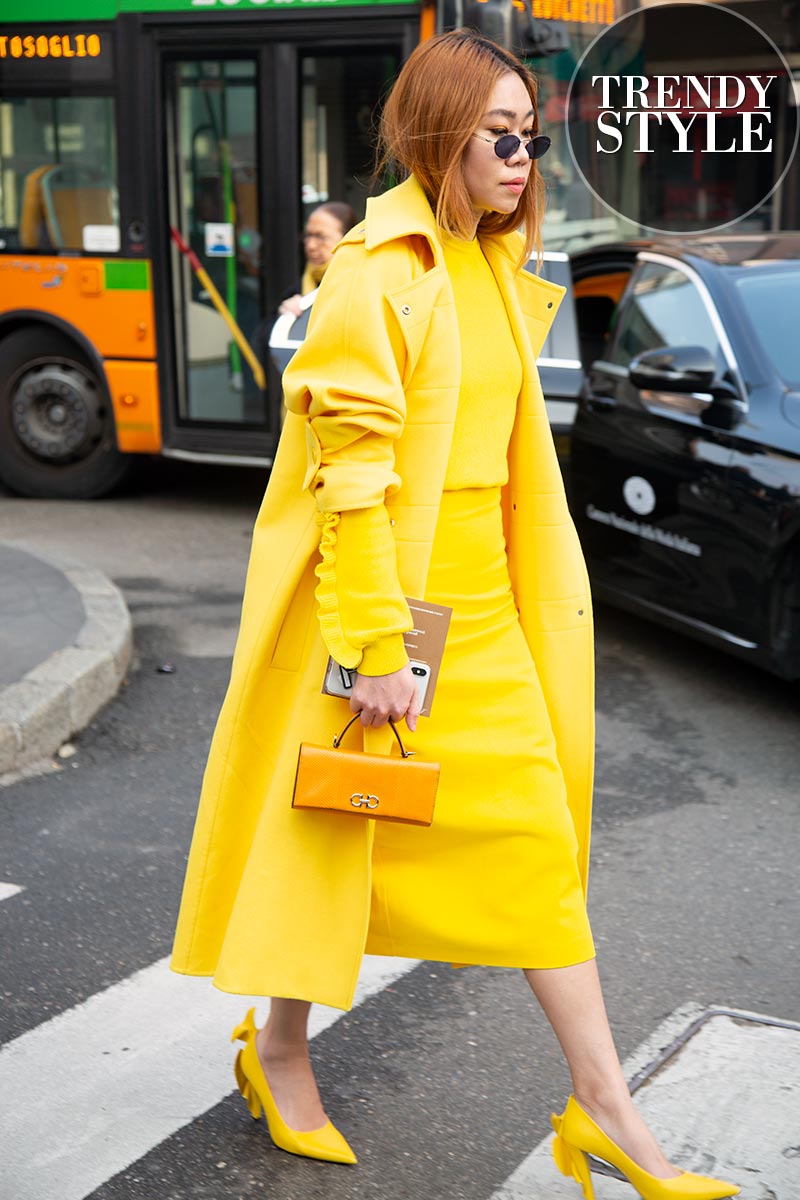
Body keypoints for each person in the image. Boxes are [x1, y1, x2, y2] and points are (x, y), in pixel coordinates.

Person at [171, 31, 740, 1200]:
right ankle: (278, 1048)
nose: (523, 154)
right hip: (399, 609)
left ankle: (601, 1111)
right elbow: (350, 482)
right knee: (340, 832)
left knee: (534, 848)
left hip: (484, 615)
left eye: (532, 134)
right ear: (437, 133)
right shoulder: (378, 274)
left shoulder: (484, 264)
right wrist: (377, 644)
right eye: (499, 134)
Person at [277, 200, 358, 318]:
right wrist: (284, 316)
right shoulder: (295, 292)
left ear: (347, 239)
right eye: (308, 236)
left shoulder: (359, 288)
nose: (311, 246)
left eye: (321, 237)